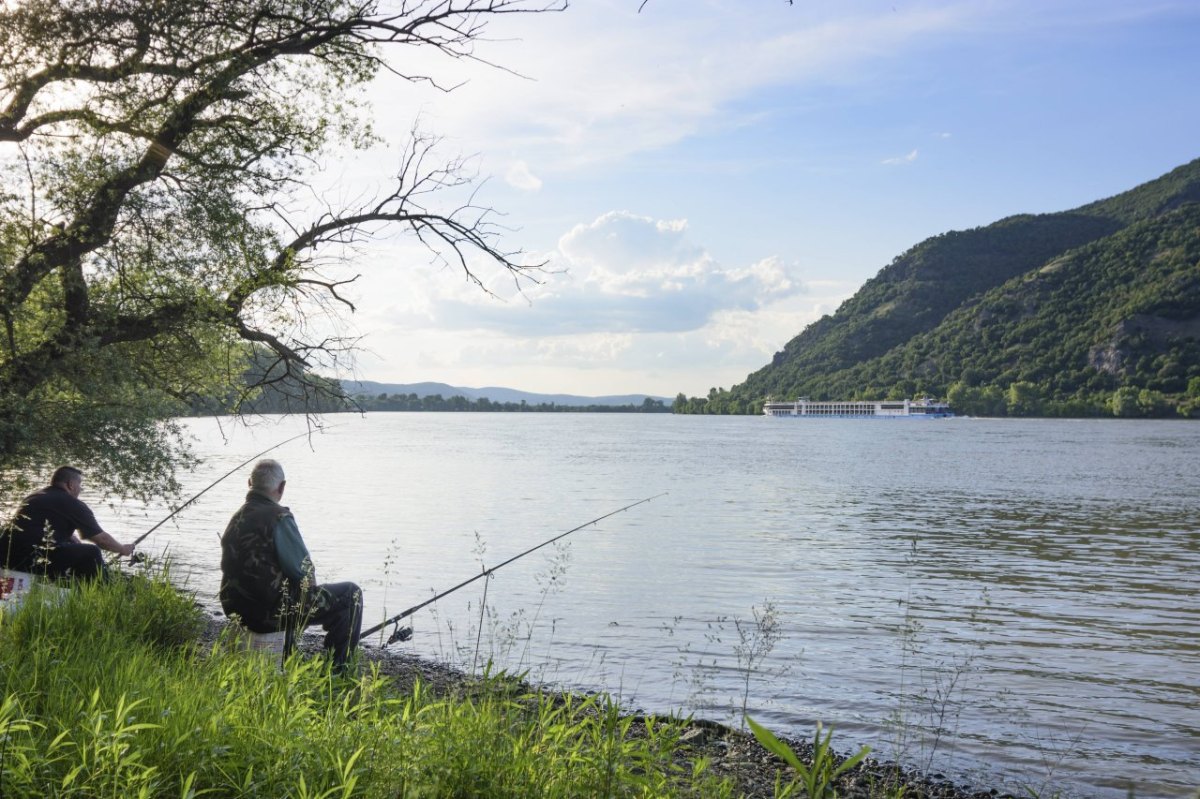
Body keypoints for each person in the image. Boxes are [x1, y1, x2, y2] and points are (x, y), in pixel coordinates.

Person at [219, 459, 362, 671]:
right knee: (350, 595)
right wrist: (307, 598)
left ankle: (289, 654)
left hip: (236, 610)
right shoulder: (279, 517)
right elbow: (304, 572)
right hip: (267, 615)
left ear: (250, 483)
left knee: (289, 592)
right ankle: (338, 673)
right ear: (282, 487)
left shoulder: (236, 517)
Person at [0, 466, 135, 580]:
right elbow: (102, 540)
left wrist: (70, 538)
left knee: (72, 544)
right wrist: (123, 549)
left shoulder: (35, 497)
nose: (80, 489)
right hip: (32, 560)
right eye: (80, 484)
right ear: (71, 484)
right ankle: (102, 593)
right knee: (91, 552)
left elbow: (37, 526)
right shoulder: (72, 503)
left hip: (7, 556)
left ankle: (64, 583)